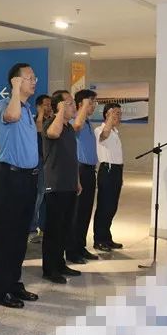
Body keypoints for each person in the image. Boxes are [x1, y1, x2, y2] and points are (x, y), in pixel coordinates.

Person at [0, 63, 40, 309]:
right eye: (29, 77)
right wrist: (15, 90)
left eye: (34, 77)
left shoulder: (29, 110)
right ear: (16, 81)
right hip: (10, 178)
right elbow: (11, 117)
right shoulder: (4, 105)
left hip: (29, 178)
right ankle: (0, 290)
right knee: (6, 236)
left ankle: (14, 282)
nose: (35, 81)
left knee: (21, 236)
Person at [42, 91, 83, 284]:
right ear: (59, 106)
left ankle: (60, 264)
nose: (74, 107)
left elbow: (73, 157)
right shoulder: (51, 123)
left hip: (69, 184)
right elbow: (53, 134)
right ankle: (50, 269)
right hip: (56, 185)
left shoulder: (69, 128)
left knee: (65, 228)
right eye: (70, 103)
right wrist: (59, 111)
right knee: (54, 230)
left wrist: (77, 180)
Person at [66, 89, 100, 264]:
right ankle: (72, 251)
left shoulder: (88, 122)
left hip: (90, 171)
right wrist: (83, 108)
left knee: (86, 211)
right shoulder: (75, 120)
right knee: (77, 213)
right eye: (91, 102)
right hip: (79, 170)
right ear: (80, 104)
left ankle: (80, 246)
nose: (94, 106)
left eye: (94, 102)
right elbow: (76, 128)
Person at [93, 103, 124, 252]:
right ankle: (99, 240)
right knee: (104, 206)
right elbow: (104, 136)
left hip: (117, 170)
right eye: (116, 113)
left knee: (112, 207)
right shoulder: (100, 130)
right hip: (107, 170)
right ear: (107, 114)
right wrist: (110, 120)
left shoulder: (115, 132)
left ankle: (107, 237)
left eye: (119, 113)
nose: (119, 116)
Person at [29, 94, 52, 243]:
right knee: (38, 196)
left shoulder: (52, 121)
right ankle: (31, 228)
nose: (49, 107)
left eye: (50, 105)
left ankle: (43, 228)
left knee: (46, 197)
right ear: (38, 107)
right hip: (38, 162)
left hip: (50, 163)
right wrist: (41, 114)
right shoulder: (33, 120)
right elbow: (38, 130)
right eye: (46, 105)